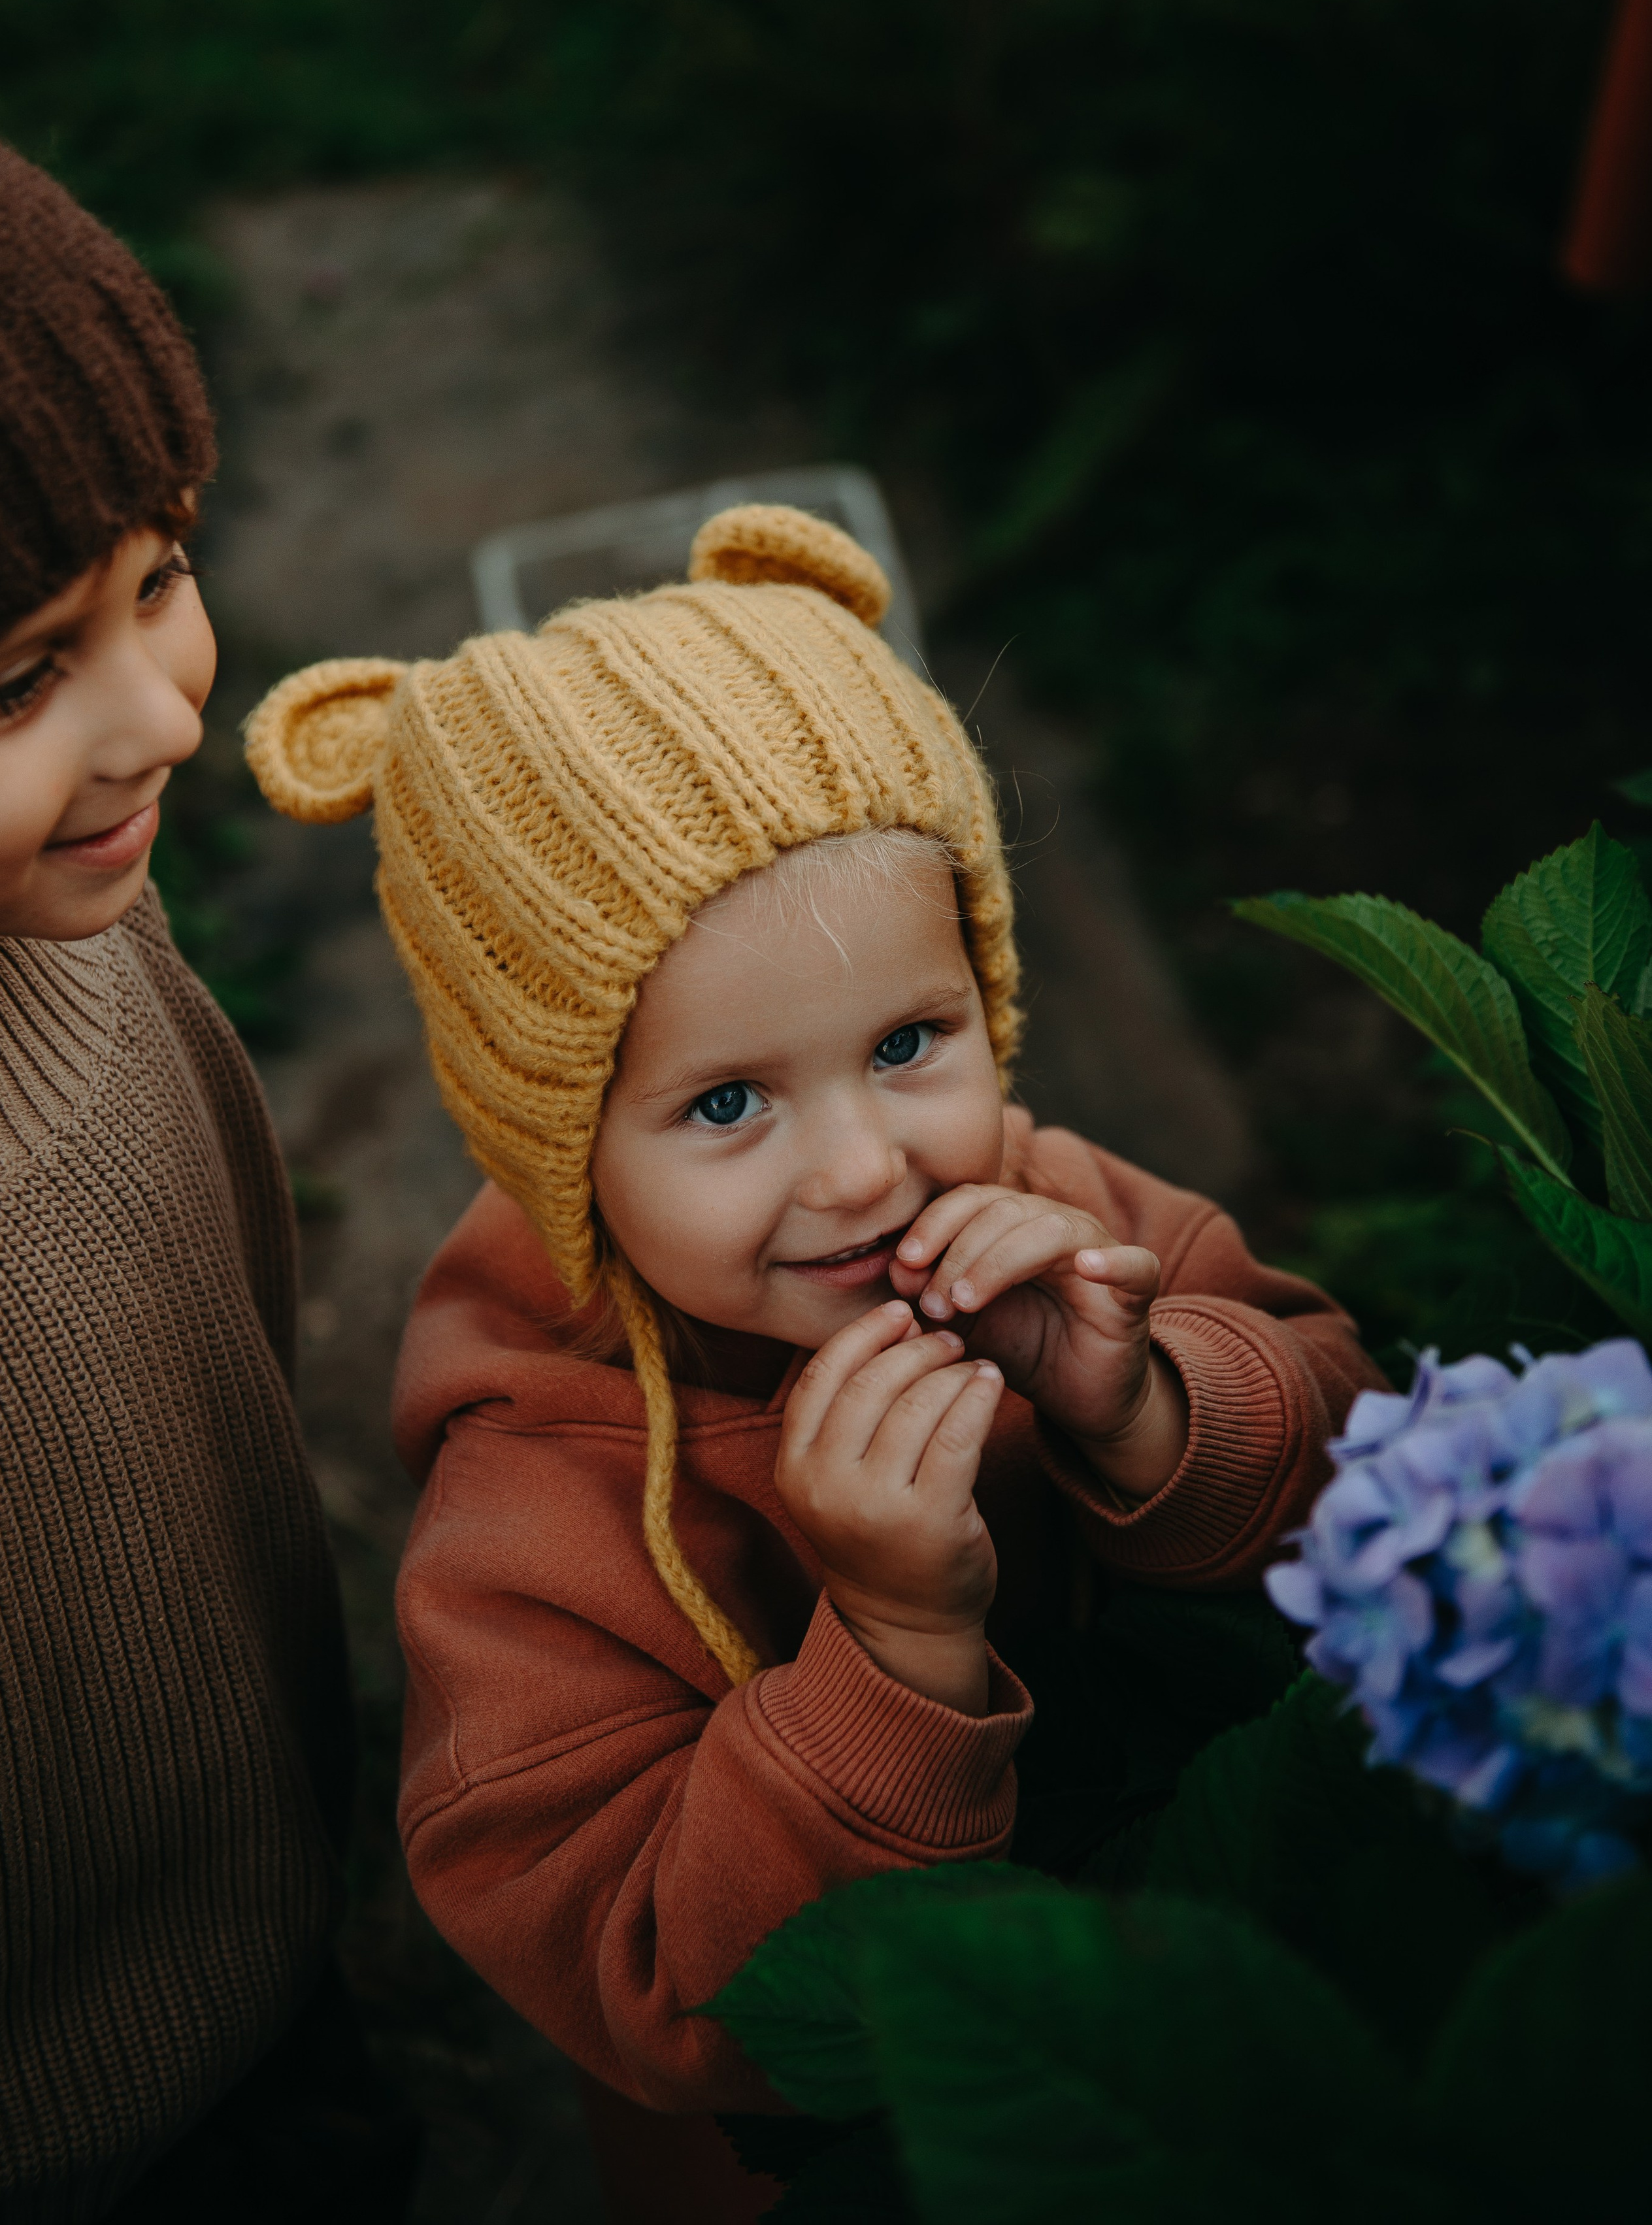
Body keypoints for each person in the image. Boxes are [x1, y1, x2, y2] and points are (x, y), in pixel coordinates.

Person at [247, 503, 1385, 2220]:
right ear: (560, 1138)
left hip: (1206, 2041)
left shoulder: (1061, 1208)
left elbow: (1366, 1445)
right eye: (727, 1102)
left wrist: (1149, 1413)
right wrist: (900, 1647)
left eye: (911, 1041)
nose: (865, 1169)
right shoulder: (531, 1509)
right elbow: (642, 1972)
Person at [0, 129, 412, 2221]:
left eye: (162, 576)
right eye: (16, 678)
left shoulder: (76, 925)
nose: (159, 710)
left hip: (262, 1931)